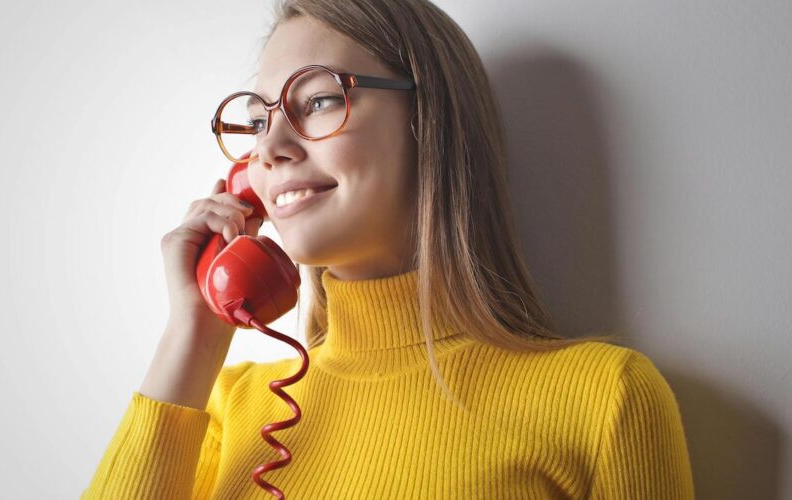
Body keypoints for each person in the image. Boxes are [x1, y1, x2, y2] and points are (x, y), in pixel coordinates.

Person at [82, 0, 695, 498]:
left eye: (318, 99)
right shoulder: (232, 406)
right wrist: (193, 334)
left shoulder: (603, 401)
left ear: (427, 118)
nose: (268, 149)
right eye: (261, 118)